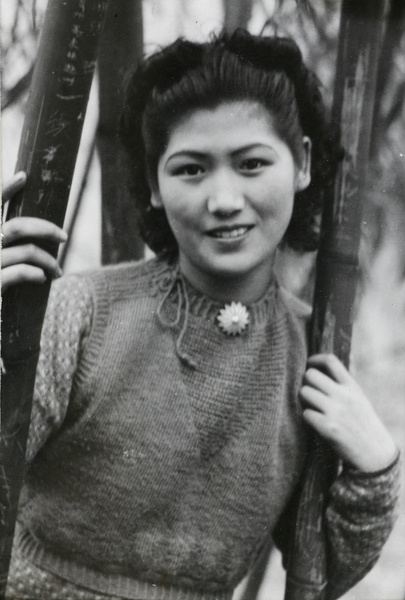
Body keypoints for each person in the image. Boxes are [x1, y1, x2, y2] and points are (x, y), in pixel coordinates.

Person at [2, 30, 400, 600]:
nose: (223, 199)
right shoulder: (83, 312)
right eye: (191, 169)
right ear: (156, 185)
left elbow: (323, 573)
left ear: (303, 162)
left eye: (252, 163)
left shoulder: (312, 350)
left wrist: (374, 470)